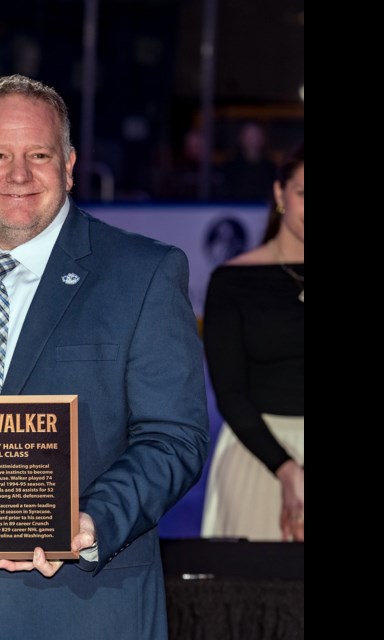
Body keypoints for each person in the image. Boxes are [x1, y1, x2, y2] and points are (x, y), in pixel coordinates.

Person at [0, 74, 208, 639]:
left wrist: (92, 520)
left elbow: (173, 437)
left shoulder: (141, 272)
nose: (19, 175)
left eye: (40, 154)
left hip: (75, 606)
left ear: (71, 165)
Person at [201, 145, 304, 542]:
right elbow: (229, 393)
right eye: (302, 193)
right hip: (258, 457)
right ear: (280, 194)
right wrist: (286, 469)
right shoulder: (233, 281)